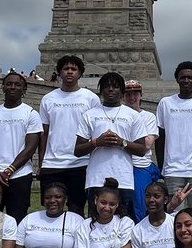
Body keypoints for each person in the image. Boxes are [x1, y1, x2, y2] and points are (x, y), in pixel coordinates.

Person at [74, 71, 147, 218]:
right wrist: (96, 142)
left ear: (122, 91)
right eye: (106, 86)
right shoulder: (90, 114)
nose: (111, 89)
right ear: (101, 90)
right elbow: (77, 150)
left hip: (123, 179)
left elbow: (141, 150)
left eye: (115, 86)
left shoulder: (133, 115)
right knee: (95, 222)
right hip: (96, 178)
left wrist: (122, 142)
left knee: (123, 223)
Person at [38, 55, 99, 214]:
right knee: (51, 209)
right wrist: (41, 162)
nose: (69, 72)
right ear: (59, 73)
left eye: (74, 69)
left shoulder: (91, 98)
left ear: (80, 73)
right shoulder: (48, 99)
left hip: (80, 163)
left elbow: (96, 131)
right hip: (52, 163)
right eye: (66, 69)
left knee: (76, 208)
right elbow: (43, 134)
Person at [0, 71, 42, 222]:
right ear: (3, 87)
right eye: (9, 84)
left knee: (17, 219)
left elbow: (30, 148)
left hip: (19, 175)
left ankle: (14, 247)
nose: (13, 87)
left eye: (18, 84)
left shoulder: (31, 114)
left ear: (24, 90)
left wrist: (9, 170)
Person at [155, 61, 192, 209]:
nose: (186, 80)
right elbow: (160, 137)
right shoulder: (166, 103)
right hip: (173, 170)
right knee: (175, 216)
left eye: (190, 77)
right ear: (177, 79)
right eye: (183, 77)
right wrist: (162, 166)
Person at [123, 79, 161, 221]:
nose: (132, 98)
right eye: (128, 94)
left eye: (135, 94)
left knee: (141, 206)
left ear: (141, 95)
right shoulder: (119, 113)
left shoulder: (148, 117)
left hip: (140, 165)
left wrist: (121, 142)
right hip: (121, 164)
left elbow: (146, 145)